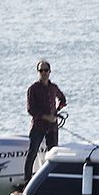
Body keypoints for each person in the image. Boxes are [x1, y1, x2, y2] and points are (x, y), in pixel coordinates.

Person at [22, 59, 67, 187]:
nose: (43, 73)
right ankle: (27, 181)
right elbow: (31, 109)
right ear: (38, 72)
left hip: (52, 127)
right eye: (41, 70)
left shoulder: (53, 87)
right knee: (32, 154)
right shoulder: (33, 89)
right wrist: (47, 117)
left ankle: (52, 181)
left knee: (53, 154)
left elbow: (63, 99)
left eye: (46, 70)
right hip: (38, 126)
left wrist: (57, 111)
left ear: (50, 72)